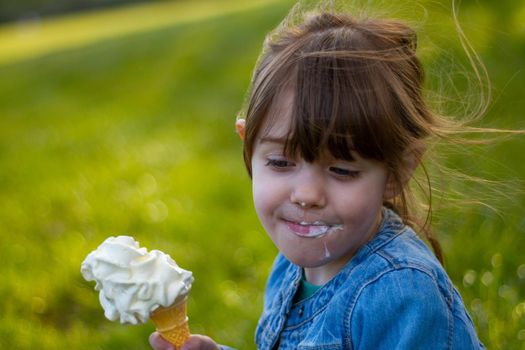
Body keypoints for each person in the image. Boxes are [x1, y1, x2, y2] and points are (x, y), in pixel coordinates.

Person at [150, 2, 488, 349]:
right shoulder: (290, 267)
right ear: (248, 147)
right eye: (281, 163)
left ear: (397, 171)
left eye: (342, 169)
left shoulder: (402, 294)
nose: (306, 195)